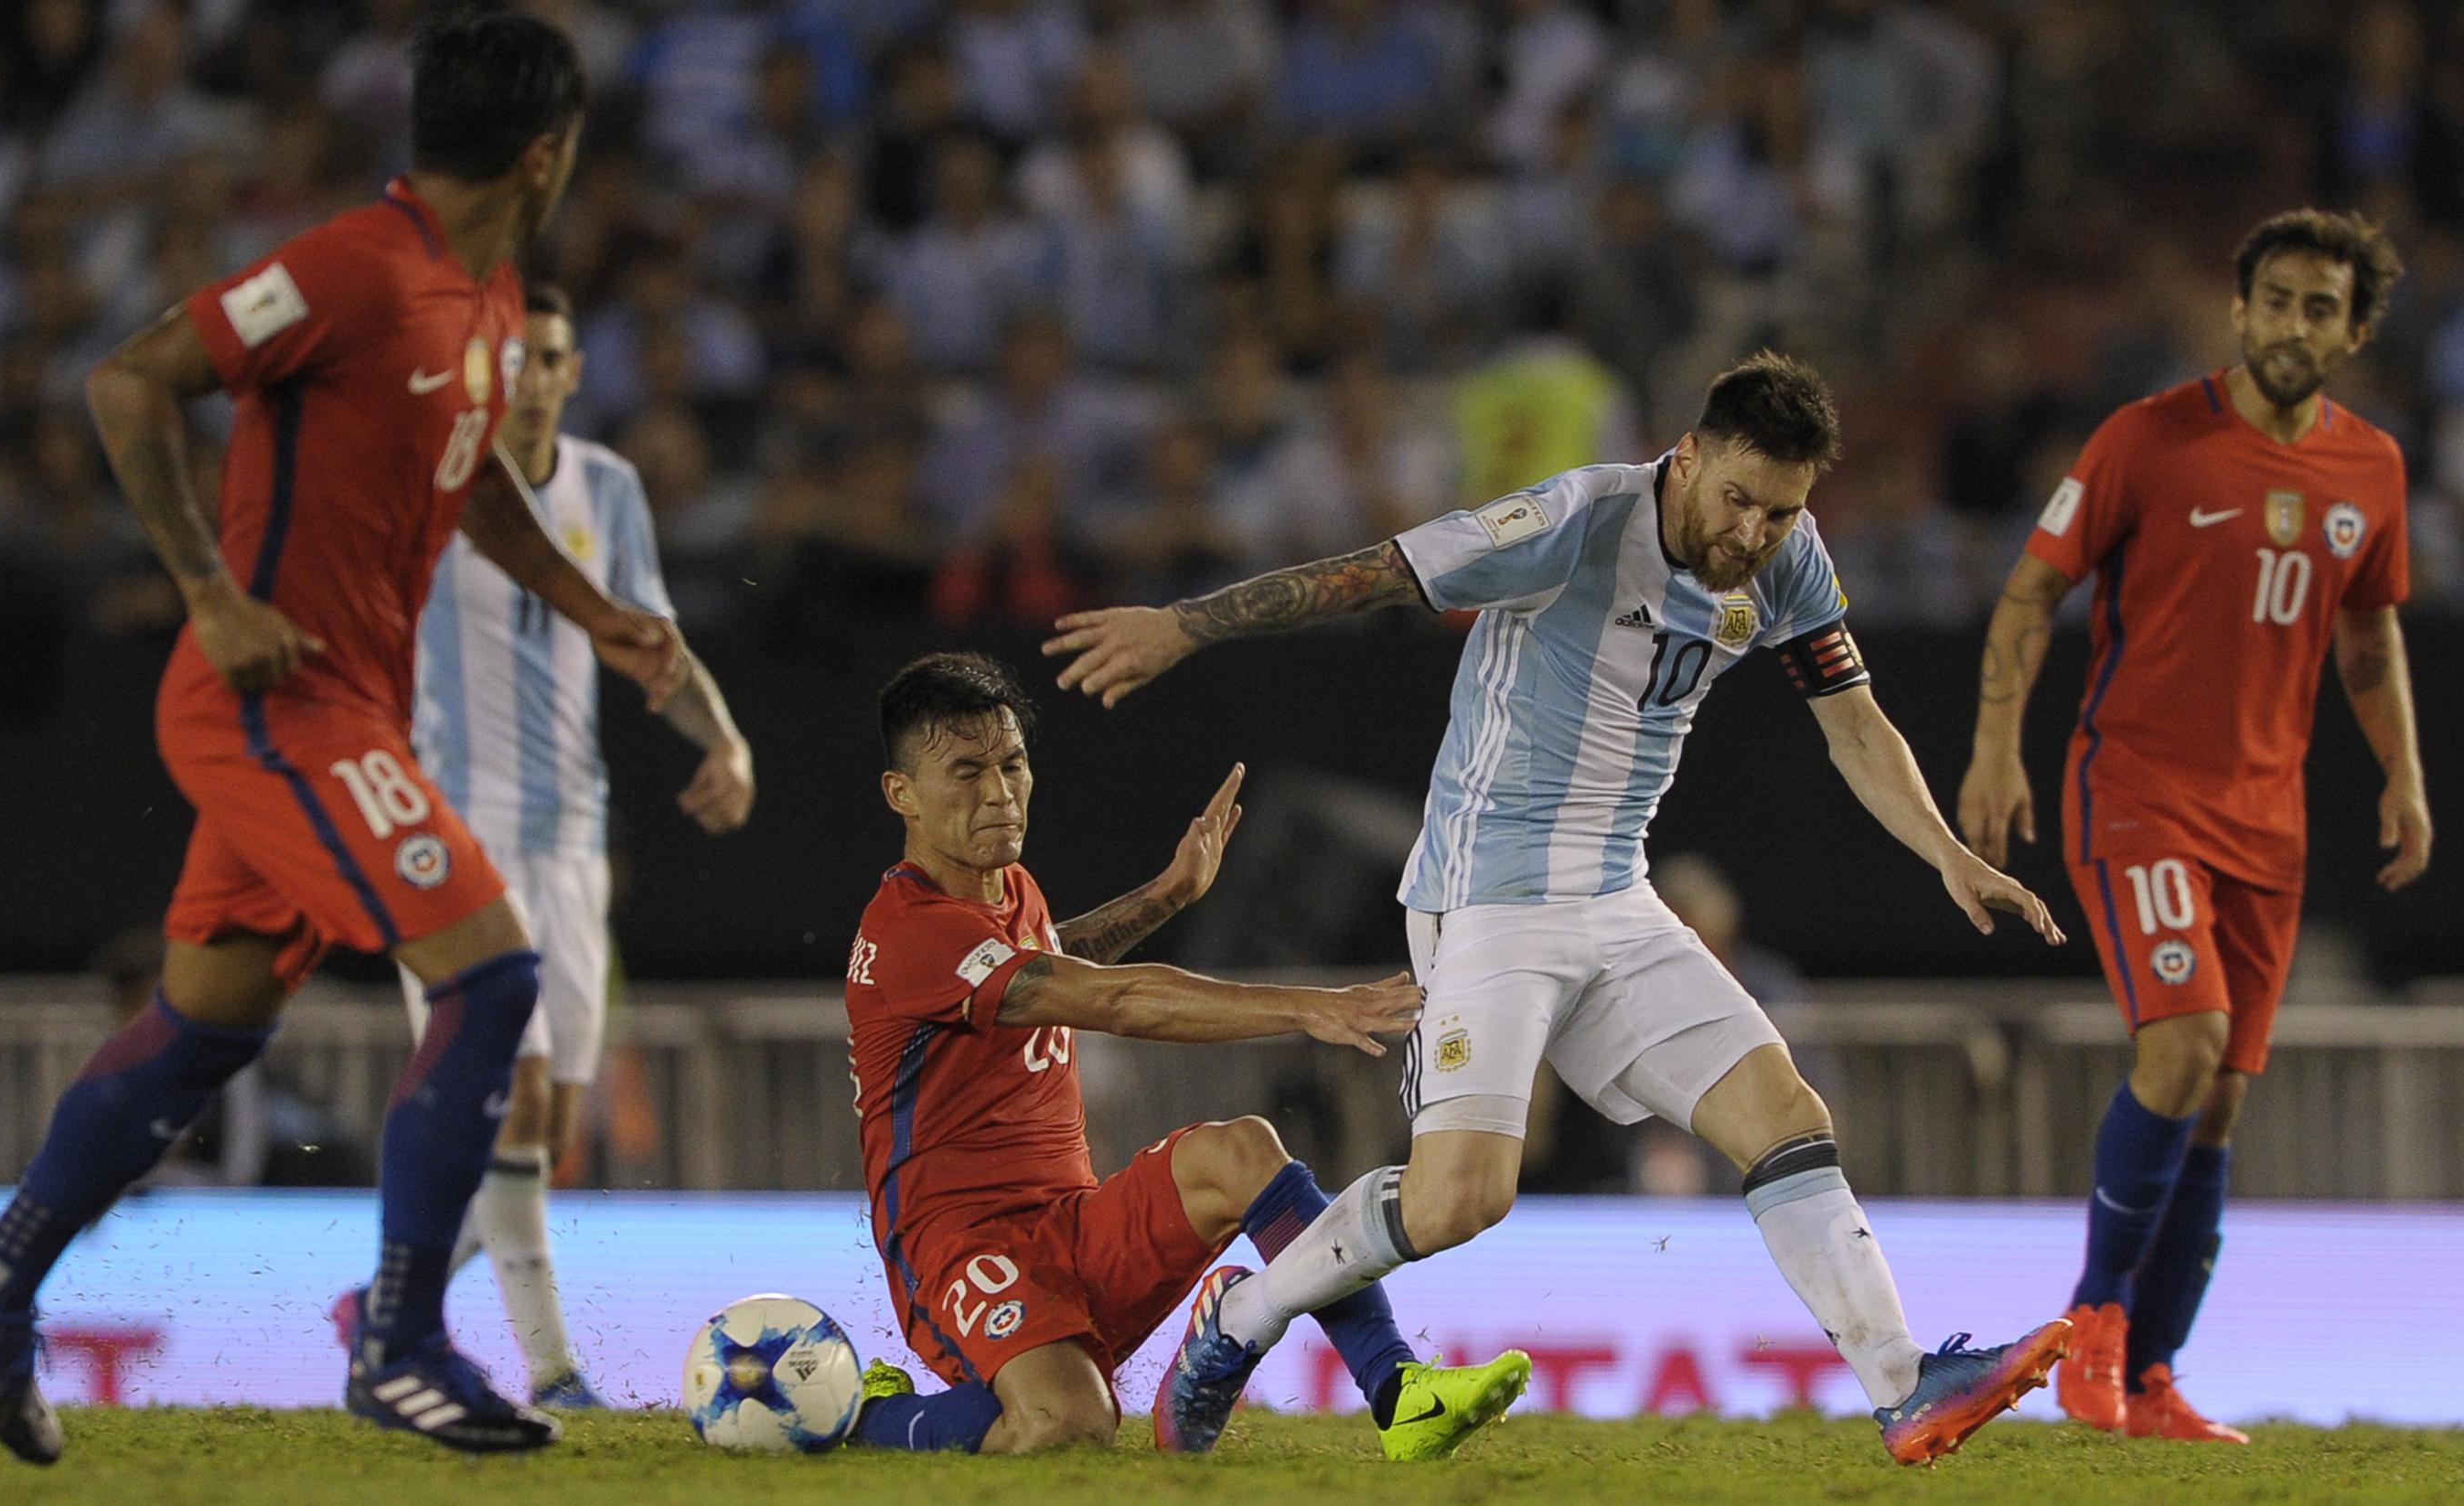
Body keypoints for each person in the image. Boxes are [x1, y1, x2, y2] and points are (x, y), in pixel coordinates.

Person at [1045, 352, 2072, 1466]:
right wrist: (1187, 626)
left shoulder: (1789, 559)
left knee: (1786, 1118)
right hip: (1486, 897)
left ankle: (1903, 1384)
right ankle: (1237, 1324)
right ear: (1686, 457)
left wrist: (1947, 857)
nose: (1752, 533)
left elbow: (1854, 722)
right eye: (1737, 500)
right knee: (1457, 1203)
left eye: (1780, 511)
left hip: (1615, 896)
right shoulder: (1574, 521)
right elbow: (1380, 573)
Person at [0, 9, 682, 1461]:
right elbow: (129, 376)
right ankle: (396, 1337)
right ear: (546, 153)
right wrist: (206, 591)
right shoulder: (353, 269)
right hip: (275, 704)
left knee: (206, 1027)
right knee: (492, 971)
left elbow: (466, 480)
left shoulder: (491, 294)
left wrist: (594, 607)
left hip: (344, 711)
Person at [1956, 208, 2429, 1445]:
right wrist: (1996, 744)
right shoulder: (2148, 438)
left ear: (2355, 329)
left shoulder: (2370, 468)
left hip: (2268, 824)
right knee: (2184, 1041)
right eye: (2274, 298)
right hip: (2140, 791)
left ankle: (2152, 1374)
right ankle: (2093, 1325)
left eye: (2320, 307)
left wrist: (2404, 775)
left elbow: (2370, 634)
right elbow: (2031, 588)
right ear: (2240, 309)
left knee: (2216, 1098)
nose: (2292, 324)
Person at [843, 653, 1528, 1458]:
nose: (998, 792)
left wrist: (1165, 896)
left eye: (1012, 763)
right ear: (903, 796)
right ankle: (859, 1420)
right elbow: (1112, 999)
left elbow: (1056, 959)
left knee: (1241, 1150)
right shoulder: (910, 932)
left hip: (1073, 1223)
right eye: (965, 772)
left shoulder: (1004, 888)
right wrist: (1304, 1005)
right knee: (1069, 1423)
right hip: (963, 1254)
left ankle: (1399, 1390)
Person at [327, 282, 755, 1406]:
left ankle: (388, 1303)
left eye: (550, 361)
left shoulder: (607, 488)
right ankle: (553, 1368)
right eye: (509, 363)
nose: (529, 382)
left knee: (550, 1124)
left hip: (572, 836)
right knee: (509, 1099)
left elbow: (647, 640)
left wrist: (724, 738)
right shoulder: (429, 481)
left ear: (572, 374)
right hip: (452, 830)